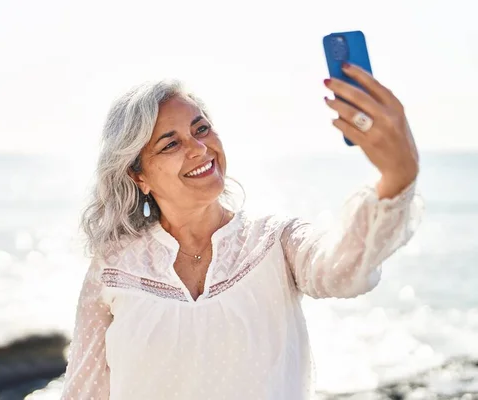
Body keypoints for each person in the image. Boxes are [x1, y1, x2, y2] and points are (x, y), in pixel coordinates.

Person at [60, 63, 422, 399]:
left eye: (201, 128)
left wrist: (396, 176)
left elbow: (343, 270)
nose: (200, 148)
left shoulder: (273, 241)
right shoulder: (113, 268)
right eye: (171, 144)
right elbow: (84, 392)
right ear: (137, 175)